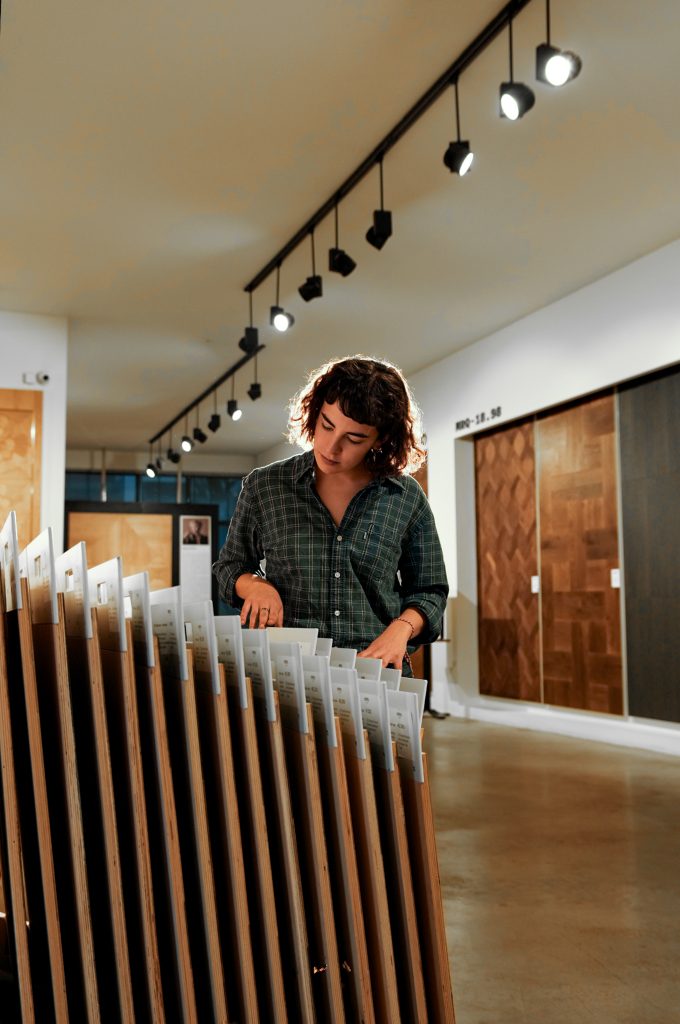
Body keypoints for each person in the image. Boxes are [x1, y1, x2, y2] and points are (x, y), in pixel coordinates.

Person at [213, 355, 448, 676]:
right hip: (286, 673)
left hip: (375, 675)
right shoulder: (266, 486)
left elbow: (430, 591)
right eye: (327, 425)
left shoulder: (405, 497)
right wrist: (255, 585)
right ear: (315, 411)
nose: (332, 447)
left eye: (354, 438)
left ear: (380, 439)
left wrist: (401, 628)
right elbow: (230, 567)